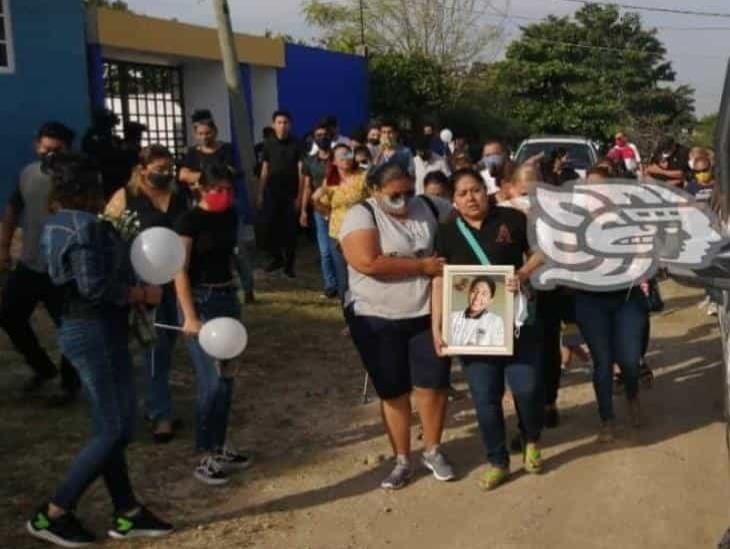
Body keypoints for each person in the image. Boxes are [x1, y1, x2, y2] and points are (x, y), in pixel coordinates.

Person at [29, 152, 172, 546]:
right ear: (90, 190)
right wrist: (141, 292)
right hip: (95, 332)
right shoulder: (88, 227)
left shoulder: (55, 223)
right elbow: (94, 287)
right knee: (115, 428)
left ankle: (127, 511)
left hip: (83, 329)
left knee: (110, 425)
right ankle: (54, 512)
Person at [340, 162, 455, 490]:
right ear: (375, 191)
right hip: (376, 317)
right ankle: (401, 458)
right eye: (394, 195)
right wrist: (421, 265)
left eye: (408, 192)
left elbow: (463, 224)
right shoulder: (361, 215)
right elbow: (367, 261)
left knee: (433, 384)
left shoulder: (432, 206)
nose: (403, 200)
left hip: (427, 314)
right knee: (393, 390)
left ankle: (433, 449)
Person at [432, 168, 544, 490]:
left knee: (526, 387)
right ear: (453, 199)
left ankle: (531, 438)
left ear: (487, 191)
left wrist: (522, 274)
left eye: (476, 190)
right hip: (472, 330)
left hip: (517, 323)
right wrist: (437, 325)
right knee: (485, 398)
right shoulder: (447, 231)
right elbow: (439, 280)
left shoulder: (512, 219)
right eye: (463, 193)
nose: (471, 198)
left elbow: (542, 251)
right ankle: (498, 461)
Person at [106, 145, 189, 443]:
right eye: (158, 169)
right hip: (144, 283)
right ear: (142, 169)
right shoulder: (126, 197)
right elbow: (109, 235)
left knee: (170, 343)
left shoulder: (179, 197)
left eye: (168, 169)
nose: (164, 174)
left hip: (176, 280)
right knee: (155, 347)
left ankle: (157, 403)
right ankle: (160, 415)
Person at [174, 163, 251, 485]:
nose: (224, 196)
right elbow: (179, 269)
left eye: (228, 190)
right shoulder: (189, 221)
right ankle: (205, 454)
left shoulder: (230, 215)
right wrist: (190, 316)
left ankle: (220, 446)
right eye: (217, 190)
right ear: (201, 190)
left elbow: (231, 255)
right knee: (212, 382)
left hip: (226, 299)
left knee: (228, 378)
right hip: (201, 302)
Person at [0, 122, 81, 405]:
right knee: (9, 316)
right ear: (37, 146)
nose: (50, 156)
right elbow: (13, 208)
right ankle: (43, 368)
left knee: (70, 328)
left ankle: (69, 385)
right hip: (31, 264)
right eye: (46, 149)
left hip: (65, 270)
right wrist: (4, 247)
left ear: (68, 149)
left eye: (57, 151)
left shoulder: (77, 178)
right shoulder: (27, 173)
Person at [574, 166, 649, 441]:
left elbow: (645, 249)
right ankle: (607, 419)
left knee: (630, 360)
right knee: (602, 361)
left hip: (627, 298)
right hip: (590, 302)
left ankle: (632, 396)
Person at [179, 109, 256, 303]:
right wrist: (205, 178)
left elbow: (228, 173)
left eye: (208, 133)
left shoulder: (226, 150)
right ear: (196, 134)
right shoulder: (192, 153)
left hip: (226, 205)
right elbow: (182, 175)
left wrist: (205, 179)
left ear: (215, 131)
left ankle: (247, 288)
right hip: (201, 206)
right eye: (200, 134)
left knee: (237, 248)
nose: (204, 137)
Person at [313, 144, 369, 304]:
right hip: (337, 234)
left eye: (348, 154)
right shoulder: (330, 181)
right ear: (334, 161)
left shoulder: (363, 176)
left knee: (362, 273)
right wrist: (316, 201)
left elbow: (375, 200)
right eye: (342, 156)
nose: (346, 158)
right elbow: (323, 207)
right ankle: (348, 318)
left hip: (361, 232)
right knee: (343, 278)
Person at [257, 110, 304, 278]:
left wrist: (300, 195)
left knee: (290, 230)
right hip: (271, 192)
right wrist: (260, 192)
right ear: (273, 124)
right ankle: (276, 258)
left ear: (290, 125)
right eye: (279, 122)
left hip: (291, 193)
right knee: (269, 227)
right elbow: (264, 169)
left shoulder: (297, 144)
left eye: (285, 122)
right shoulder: (268, 144)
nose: (282, 125)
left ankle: (289, 265)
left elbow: (301, 170)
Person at [300, 127, 338, 298]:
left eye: (325, 135)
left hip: (338, 208)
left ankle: (342, 282)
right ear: (314, 139)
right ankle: (330, 284)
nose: (322, 138)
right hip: (318, 208)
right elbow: (307, 187)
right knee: (325, 251)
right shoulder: (309, 161)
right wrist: (303, 211)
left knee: (338, 248)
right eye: (319, 136)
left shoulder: (338, 158)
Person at [449, 277, 505, 347]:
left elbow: (498, 350)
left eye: (484, 294)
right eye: (474, 291)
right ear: (469, 293)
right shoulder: (452, 317)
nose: (477, 297)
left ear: (490, 300)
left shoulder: (496, 321)